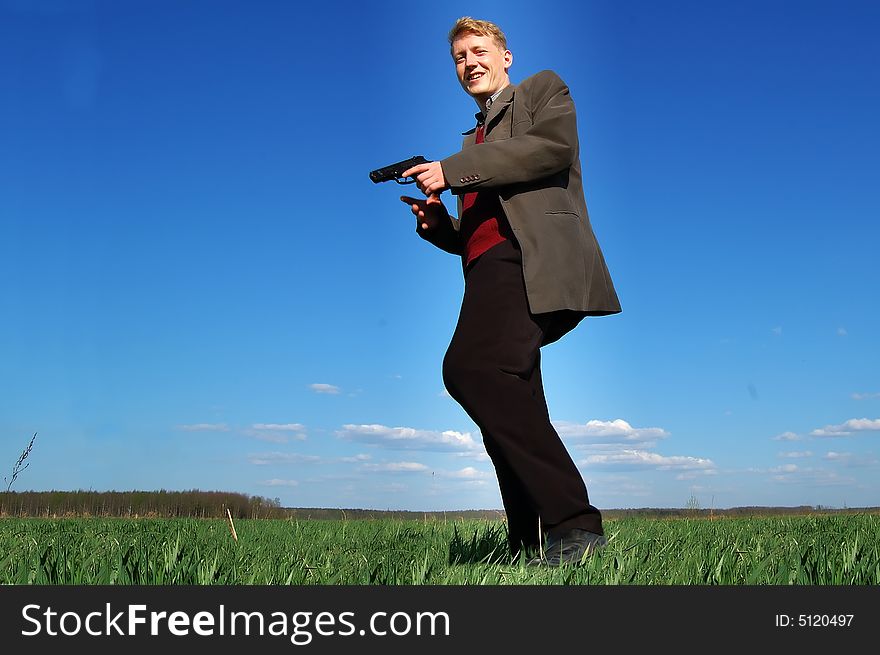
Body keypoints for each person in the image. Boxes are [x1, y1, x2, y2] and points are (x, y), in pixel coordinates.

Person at [399, 17, 621, 566]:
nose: (469, 62)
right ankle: (529, 541)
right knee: (510, 404)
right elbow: (481, 231)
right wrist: (440, 229)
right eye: (458, 57)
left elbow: (550, 149)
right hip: (489, 270)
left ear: (506, 56)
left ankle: (575, 522)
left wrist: (451, 171)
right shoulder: (473, 140)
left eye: (479, 51)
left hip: (527, 264)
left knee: (472, 371)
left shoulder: (542, 91)